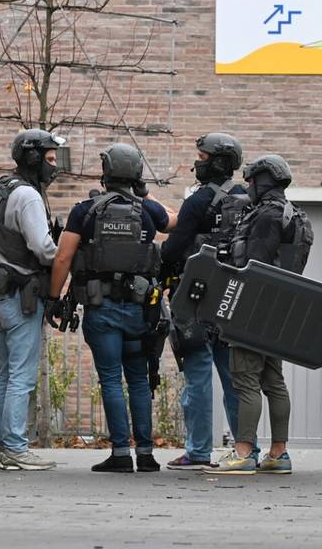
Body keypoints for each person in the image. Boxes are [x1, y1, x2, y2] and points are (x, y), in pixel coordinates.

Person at [48, 143, 175, 473]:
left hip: (101, 309)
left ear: (105, 173)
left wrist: (53, 298)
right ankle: (145, 454)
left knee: (110, 380)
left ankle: (120, 454)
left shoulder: (84, 210)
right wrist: (145, 195)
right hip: (139, 311)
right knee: (138, 381)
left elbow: (63, 257)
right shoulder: (148, 210)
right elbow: (173, 221)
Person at [0, 129, 64, 471]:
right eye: (50, 159)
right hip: (20, 296)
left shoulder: (1, 188)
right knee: (22, 376)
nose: (54, 167)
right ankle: (15, 448)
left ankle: (6, 447)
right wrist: (66, 254)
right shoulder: (27, 196)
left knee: (7, 374)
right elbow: (42, 248)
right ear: (33, 158)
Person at [206, 154, 301, 476]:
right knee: (274, 381)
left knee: (245, 379)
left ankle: (244, 453)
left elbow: (253, 266)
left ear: (263, 181)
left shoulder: (264, 216)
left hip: (253, 307)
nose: (247, 186)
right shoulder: (293, 214)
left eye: (251, 181)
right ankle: (278, 454)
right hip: (281, 307)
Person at [160, 133, 250, 470]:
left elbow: (171, 251)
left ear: (219, 162)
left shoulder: (198, 202)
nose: (198, 163)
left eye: (202, 157)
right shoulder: (248, 199)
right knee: (234, 379)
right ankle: (245, 451)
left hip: (196, 301)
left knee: (197, 377)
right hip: (235, 300)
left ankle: (198, 452)